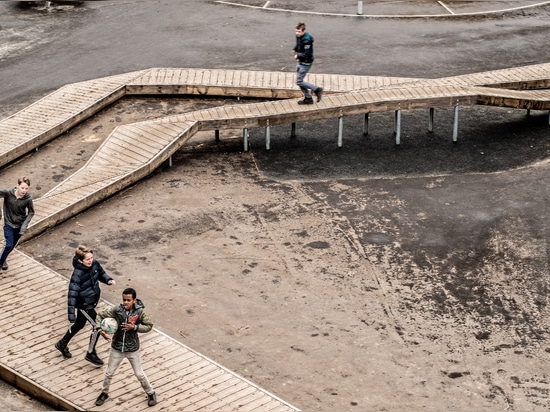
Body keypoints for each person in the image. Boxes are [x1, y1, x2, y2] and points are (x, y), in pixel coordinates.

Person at [95, 287, 157, 407]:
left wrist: (134, 328)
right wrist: (99, 329)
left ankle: (151, 393)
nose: (125, 303)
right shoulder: (117, 310)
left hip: (132, 349)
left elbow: (149, 325)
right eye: (124, 300)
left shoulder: (140, 312)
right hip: (117, 347)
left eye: (128, 300)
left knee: (139, 374)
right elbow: (100, 316)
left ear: (134, 300)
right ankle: (104, 393)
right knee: (109, 373)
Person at [55, 245, 116, 366]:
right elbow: (72, 295)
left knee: (79, 324)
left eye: (91, 258)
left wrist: (108, 280)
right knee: (98, 326)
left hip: (91, 302)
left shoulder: (94, 264)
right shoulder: (77, 274)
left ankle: (62, 343)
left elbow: (101, 274)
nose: (90, 261)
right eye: (87, 259)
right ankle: (90, 352)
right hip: (84, 305)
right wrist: (71, 314)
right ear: (80, 260)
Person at [0, 177, 34, 271]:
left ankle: (3, 259)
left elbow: (31, 212)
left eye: (26, 188)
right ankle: (0, 262)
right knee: (8, 245)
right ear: (17, 186)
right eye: (22, 188)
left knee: (11, 246)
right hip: (8, 223)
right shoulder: (8, 193)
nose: (24, 190)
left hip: (19, 226)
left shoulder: (28, 199)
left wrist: (24, 226)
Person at [293, 22, 323, 105]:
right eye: (296, 31)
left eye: (299, 31)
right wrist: (295, 49)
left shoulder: (307, 40)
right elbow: (298, 44)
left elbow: (307, 54)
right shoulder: (299, 36)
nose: (297, 33)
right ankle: (308, 98)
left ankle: (317, 89)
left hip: (306, 63)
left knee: (299, 81)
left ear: (303, 31)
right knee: (300, 81)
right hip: (301, 62)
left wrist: (298, 55)